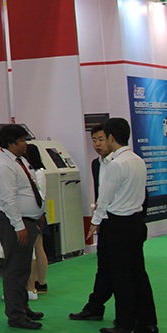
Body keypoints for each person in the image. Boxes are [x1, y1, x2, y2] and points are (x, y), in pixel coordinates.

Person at [88, 117, 157, 333]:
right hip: (136, 221)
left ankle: (125, 324)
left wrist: (95, 222)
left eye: (103, 138)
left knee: (121, 276)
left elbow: (104, 198)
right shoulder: (137, 160)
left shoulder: (116, 164)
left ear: (111, 137)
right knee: (138, 274)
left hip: (118, 224)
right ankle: (147, 323)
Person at [0, 124, 46, 330]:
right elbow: (8, 199)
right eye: (22, 140)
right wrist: (19, 226)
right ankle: (16, 315)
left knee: (22, 267)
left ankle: (22, 307)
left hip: (27, 220)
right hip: (14, 222)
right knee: (15, 268)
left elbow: (30, 190)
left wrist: (38, 214)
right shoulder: (3, 165)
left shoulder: (19, 161)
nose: (25, 144)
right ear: (10, 143)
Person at [71, 123, 113, 322]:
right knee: (103, 266)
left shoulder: (121, 163)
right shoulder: (96, 164)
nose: (97, 144)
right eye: (94, 140)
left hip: (121, 221)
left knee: (123, 270)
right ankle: (95, 306)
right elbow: (99, 193)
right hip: (105, 221)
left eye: (101, 139)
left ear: (111, 138)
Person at [24, 143, 49, 301]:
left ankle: (39, 282)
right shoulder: (33, 172)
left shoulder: (39, 173)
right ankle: (38, 282)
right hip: (34, 213)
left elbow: (40, 195)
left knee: (37, 248)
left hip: (36, 214)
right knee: (37, 248)